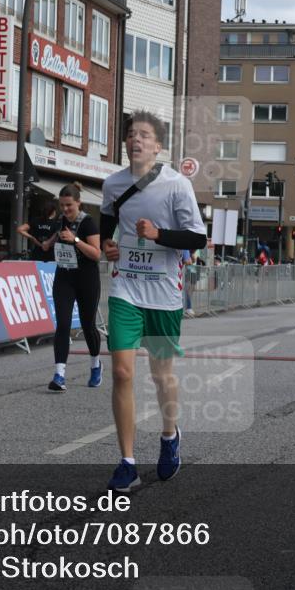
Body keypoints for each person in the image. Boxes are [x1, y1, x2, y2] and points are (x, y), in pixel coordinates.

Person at [100, 111, 207, 492]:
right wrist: (108, 245)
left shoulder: (177, 185)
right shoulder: (113, 184)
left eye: (144, 135)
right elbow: (105, 221)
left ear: (158, 146)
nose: (136, 140)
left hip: (163, 293)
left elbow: (197, 239)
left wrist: (160, 234)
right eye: (131, 134)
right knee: (122, 372)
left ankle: (168, 435)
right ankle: (127, 462)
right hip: (125, 287)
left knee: (161, 373)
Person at [25, 185, 103, 392]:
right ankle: (59, 374)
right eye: (62, 205)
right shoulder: (61, 222)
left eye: (69, 205)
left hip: (87, 279)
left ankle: (96, 364)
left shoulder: (88, 223)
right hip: (64, 278)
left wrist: (76, 240)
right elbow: (54, 239)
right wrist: (47, 244)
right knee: (63, 324)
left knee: (88, 326)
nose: (65, 209)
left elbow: (96, 254)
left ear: (78, 202)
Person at [182, 249, 195, 317]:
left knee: (186, 291)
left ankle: (188, 308)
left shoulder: (187, 250)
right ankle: (188, 308)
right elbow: (188, 261)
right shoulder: (185, 249)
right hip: (183, 274)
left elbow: (190, 262)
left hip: (186, 274)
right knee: (185, 291)